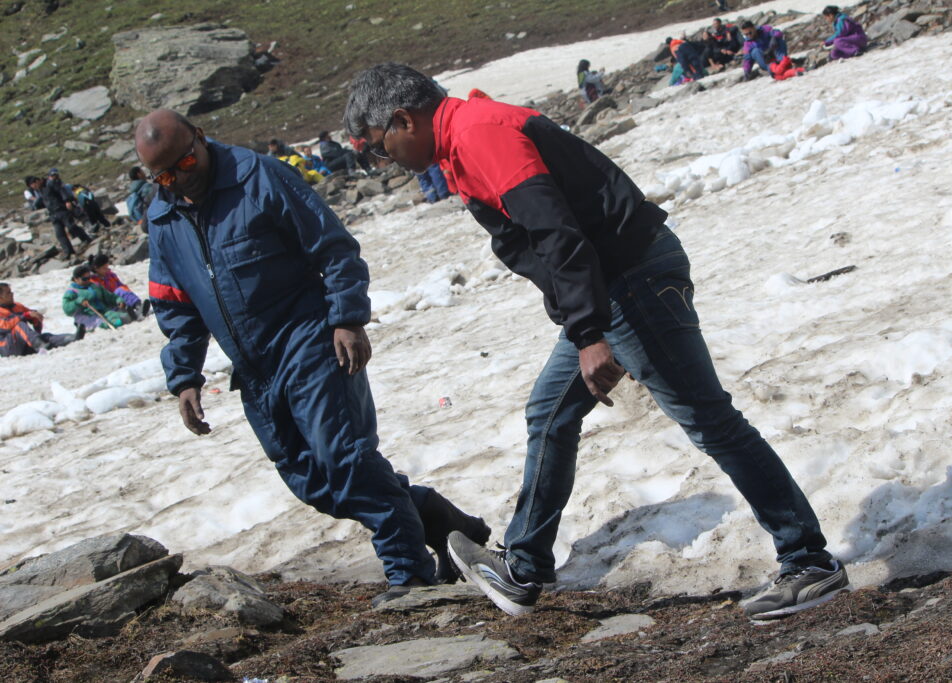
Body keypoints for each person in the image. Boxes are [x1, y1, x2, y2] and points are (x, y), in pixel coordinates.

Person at [345, 63, 849, 620]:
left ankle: (809, 560)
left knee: (710, 421)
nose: (385, 162)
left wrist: (589, 333)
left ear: (403, 120)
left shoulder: (479, 134)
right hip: (607, 287)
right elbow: (541, 244)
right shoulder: (463, 140)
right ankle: (523, 567)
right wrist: (582, 323)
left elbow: (557, 233)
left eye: (379, 148)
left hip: (630, 281)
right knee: (550, 412)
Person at [135, 109, 489, 602]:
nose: (179, 179)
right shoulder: (163, 216)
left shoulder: (259, 178)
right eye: (164, 176)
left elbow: (333, 247)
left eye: (186, 162)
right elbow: (176, 306)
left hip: (310, 340)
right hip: (255, 371)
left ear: (200, 136)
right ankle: (445, 522)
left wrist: (347, 318)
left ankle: (410, 576)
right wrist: (185, 377)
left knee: (347, 462)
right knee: (314, 483)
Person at [0, 282, 79, 357]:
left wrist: (36, 319)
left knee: (45, 337)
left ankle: (70, 338)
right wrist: (26, 315)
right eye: (8, 293)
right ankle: (39, 345)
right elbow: (6, 325)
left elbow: (31, 314)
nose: (12, 294)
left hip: (26, 344)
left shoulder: (18, 306)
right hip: (8, 348)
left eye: (11, 292)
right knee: (19, 326)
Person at [62, 265, 132, 332]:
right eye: (84, 279)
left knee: (119, 316)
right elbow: (66, 308)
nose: (87, 280)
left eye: (89, 278)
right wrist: (78, 302)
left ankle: (125, 317)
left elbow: (110, 296)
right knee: (105, 322)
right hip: (88, 316)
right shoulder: (72, 291)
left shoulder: (95, 286)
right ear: (76, 279)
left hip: (104, 311)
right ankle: (116, 322)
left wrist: (118, 300)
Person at [42, 168, 92, 259]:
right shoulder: (46, 186)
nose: (54, 177)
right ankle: (68, 251)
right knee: (60, 233)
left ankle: (85, 238)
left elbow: (62, 192)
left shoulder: (57, 184)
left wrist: (67, 201)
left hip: (61, 210)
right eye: (52, 175)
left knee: (71, 226)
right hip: (53, 213)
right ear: (49, 176)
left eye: (56, 175)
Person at [88, 253, 149, 321]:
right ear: (96, 269)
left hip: (118, 300)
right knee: (119, 292)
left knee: (121, 290)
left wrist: (124, 295)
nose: (107, 270)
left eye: (107, 267)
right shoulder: (92, 282)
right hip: (108, 305)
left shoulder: (110, 275)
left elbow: (121, 286)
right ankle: (127, 313)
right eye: (104, 268)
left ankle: (138, 306)